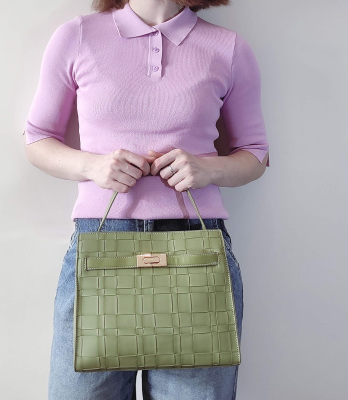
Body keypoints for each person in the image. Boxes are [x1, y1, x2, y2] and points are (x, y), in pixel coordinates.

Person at [23, 0, 269, 398]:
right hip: (101, 244)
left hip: (195, 249)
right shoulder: (78, 36)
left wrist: (207, 169)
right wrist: (93, 166)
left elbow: (256, 153)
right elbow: (37, 139)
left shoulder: (228, 47)